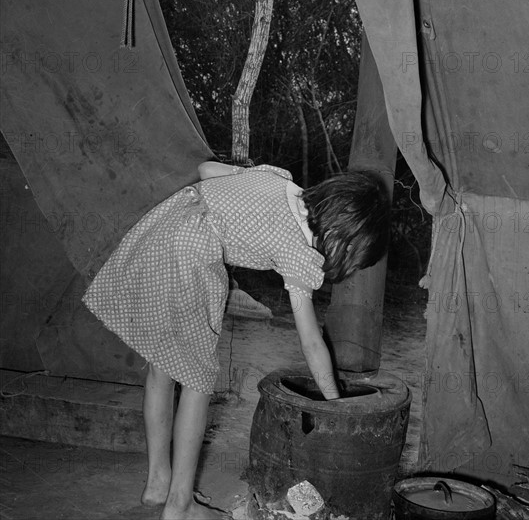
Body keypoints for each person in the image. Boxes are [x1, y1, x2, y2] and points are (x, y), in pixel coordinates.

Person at [82, 161, 390, 520]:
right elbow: (311, 342)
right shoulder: (298, 250)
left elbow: (204, 169)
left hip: (164, 227)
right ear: (347, 241)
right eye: (355, 261)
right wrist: (335, 404)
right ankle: (180, 506)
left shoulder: (279, 180)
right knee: (198, 381)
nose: (348, 268)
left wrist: (238, 188)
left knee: (161, 367)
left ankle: (157, 485)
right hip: (193, 254)